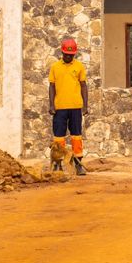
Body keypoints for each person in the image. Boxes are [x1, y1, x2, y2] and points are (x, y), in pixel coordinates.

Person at [48, 37, 88, 176]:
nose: (68, 57)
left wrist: (85, 105)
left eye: (71, 55)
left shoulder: (79, 66)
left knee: (76, 136)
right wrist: (51, 105)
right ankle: (58, 165)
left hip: (76, 106)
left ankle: (78, 165)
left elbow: (83, 86)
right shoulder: (55, 67)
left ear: (74, 54)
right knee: (58, 137)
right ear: (62, 52)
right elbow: (52, 87)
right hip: (60, 108)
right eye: (66, 54)